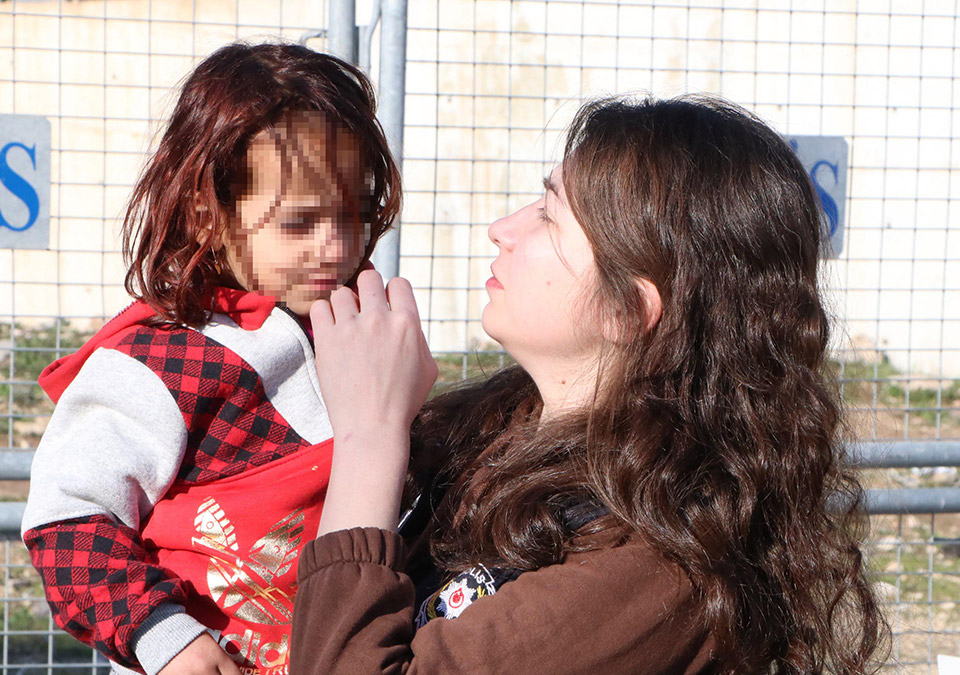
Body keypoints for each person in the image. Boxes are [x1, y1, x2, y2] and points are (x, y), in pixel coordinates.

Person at [292, 95, 889, 674]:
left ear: (628, 310)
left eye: (549, 217)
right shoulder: (492, 429)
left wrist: (370, 437)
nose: (502, 228)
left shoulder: (657, 572)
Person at [20, 42, 400, 675]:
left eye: (354, 214)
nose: (338, 246)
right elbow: (69, 522)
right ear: (209, 216)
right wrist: (164, 639)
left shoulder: (361, 333)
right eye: (300, 224)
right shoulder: (158, 361)